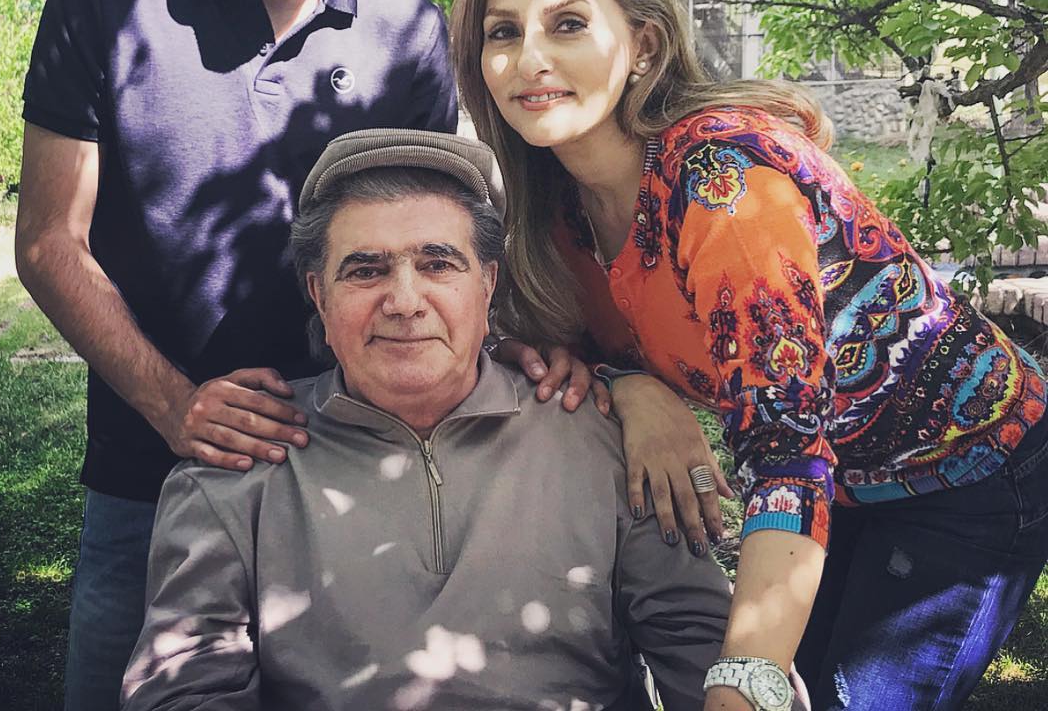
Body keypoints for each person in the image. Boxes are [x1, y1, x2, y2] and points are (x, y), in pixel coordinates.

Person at [449, 0, 1048, 711]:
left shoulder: (724, 187)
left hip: (971, 465)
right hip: (846, 479)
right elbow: (553, 350)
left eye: (568, 24)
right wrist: (634, 387)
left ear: (644, 46)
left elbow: (786, 452)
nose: (530, 58)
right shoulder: (558, 213)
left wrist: (743, 684)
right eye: (502, 32)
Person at [15, 0, 459, 711]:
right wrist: (176, 406)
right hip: (146, 479)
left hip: (352, 474)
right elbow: (46, 242)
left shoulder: (407, 31)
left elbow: (440, 256)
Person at [119, 128, 733, 711]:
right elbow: (184, 689)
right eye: (365, 270)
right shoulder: (236, 467)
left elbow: (705, 652)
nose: (405, 301)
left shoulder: (606, 440)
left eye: (438, 264)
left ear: (487, 287)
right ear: (319, 296)